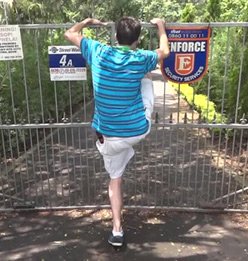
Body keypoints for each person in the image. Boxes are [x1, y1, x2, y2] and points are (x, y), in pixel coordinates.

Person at [64, 16, 169, 247]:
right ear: (137, 39)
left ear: (115, 36)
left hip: (109, 135)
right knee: (146, 80)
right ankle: (118, 228)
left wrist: (86, 22)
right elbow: (164, 52)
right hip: (136, 130)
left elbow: (69, 34)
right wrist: (161, 26)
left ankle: (117, 230)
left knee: (115, 180)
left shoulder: (99, 52)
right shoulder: (141, 57)